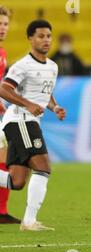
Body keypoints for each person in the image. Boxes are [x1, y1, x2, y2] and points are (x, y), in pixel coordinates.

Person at [0, 19, 66, 231]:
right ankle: (29, 222)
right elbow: (4, 89)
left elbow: (45, 94)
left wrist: (54, 108)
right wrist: (28, 104)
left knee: (16, 181)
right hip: (20, 119)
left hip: (29, 121)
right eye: (40, 36)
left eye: (48, 36)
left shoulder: (53, 66)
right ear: (30, 39)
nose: (46, 40)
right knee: (43, 167)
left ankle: (29, 221)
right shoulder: (23, 66)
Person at [0, 6, 21, 224]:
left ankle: (2, 211)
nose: (3, 28)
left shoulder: (3, 53)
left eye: (5, 24)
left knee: (5, 160)